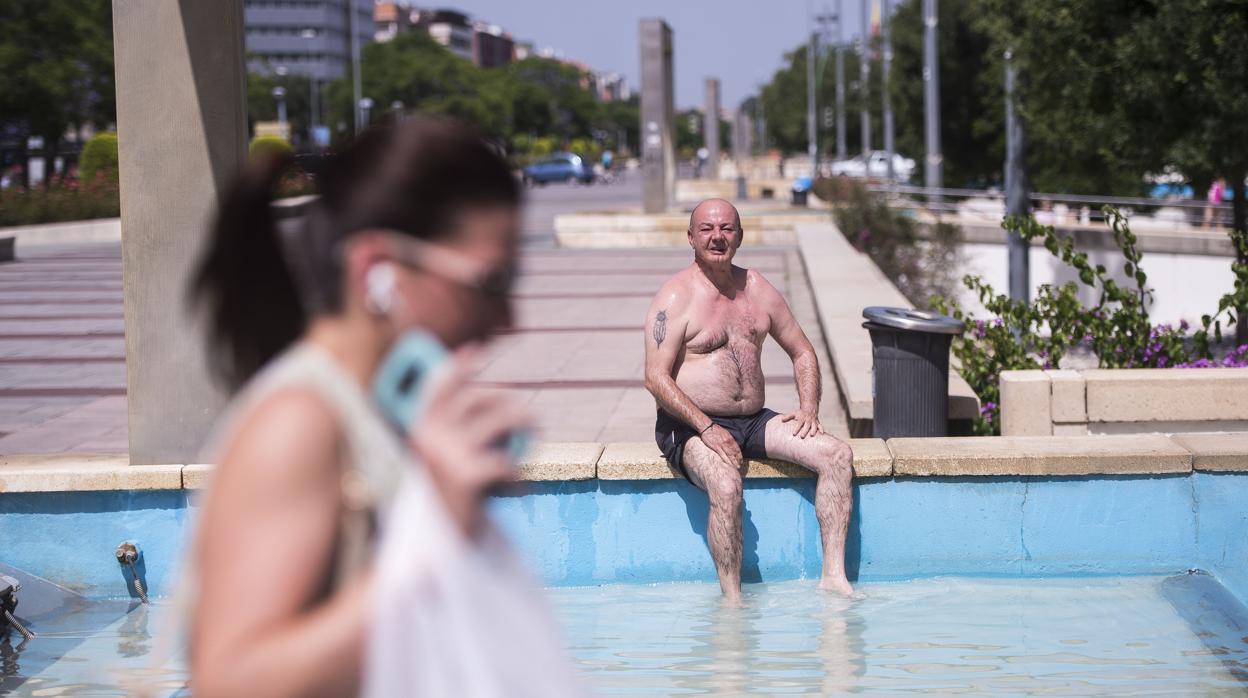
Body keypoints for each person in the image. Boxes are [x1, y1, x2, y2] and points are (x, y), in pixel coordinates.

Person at [184, 117, 578, 696]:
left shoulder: (373, 411)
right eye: (492, 281)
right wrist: (436, 532)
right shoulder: (298, 422)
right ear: (378, 272)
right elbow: (230, 680)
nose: (507, 319)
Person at [644, 198, 855, 604]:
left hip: (753, 419)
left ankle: (833, 577)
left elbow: (803, 351)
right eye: (706, 229)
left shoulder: (756, 288)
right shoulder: (674, 298)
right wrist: (706, 428)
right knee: (725, 485)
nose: (717, 237)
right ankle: (733, 599)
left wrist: (808, 408)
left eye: (726, 228)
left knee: (837, 455)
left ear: (740, 236)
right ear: (691, 237)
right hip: (690, 425)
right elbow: (655, 378)